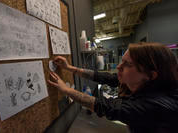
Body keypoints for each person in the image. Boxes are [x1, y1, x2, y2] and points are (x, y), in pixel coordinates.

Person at [48, 42, 178, 133]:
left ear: (151, 75)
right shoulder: (152, 85)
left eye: (127, 64)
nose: (118, 67)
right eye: (122, 61)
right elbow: (106, 77)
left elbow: (107, 107)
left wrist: (66, 90)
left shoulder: (154, 106)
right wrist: (70, 68)